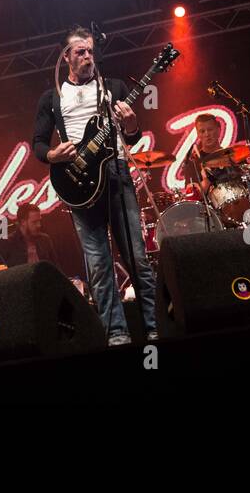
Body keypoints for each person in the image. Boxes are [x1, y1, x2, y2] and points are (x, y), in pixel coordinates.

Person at [32, 25, 158, 345]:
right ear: (66, 57)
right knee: (99, 264)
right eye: (80, 52)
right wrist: (52, 154)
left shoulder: (111, 87)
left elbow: (132, 136)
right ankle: (116, 333)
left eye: (90, 51)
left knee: (137, 257)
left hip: (115, 172)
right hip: (77, 182)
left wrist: (131, 123)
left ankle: (154, 326)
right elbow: (37, 143)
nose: (88, 56)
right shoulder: (53, 97)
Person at [1, 203, 58, 267]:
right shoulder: (9, 242)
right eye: (34, 222)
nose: (39, 225)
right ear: (23, 222)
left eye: (39, 221)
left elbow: (55, 267)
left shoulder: (45, 240)